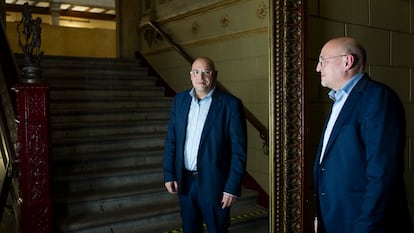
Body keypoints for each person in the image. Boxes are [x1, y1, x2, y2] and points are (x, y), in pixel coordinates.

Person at [313, 37, 413, 233]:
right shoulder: (338, 101)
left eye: (323, 60)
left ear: (347, 61)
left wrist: (365, 227)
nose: (318, 68)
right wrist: (321, 215)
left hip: (364, 224)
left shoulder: (378, 98)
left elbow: (382, 173)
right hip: (334, 219)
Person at [163, 57, 247, 233]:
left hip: (215, 184)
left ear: (214, 75)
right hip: (185, 182)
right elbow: (172, 140)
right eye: (196, 72)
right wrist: (169, 173)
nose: (201, 77)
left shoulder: (231, 105)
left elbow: (238, 151)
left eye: (206, 72)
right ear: (191, 76)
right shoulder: (180, 101)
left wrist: (232, 187)